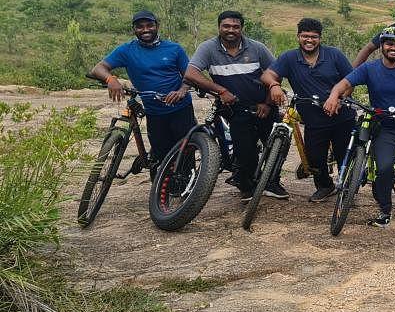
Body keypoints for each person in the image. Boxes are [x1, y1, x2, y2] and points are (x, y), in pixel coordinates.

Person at [324, 26, 395, 228]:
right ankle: (384, 210)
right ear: (382, 46)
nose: (393, 48)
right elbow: (344, 83)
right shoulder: (370, 68)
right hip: (385, 128)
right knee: (383, 168)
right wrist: (333, 96)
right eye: (389, 44)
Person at [186, 11, 285, 203]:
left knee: (276, 146)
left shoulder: (257, 48)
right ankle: (247, 185)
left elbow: (276, 73)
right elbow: (191, 73)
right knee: (245, 151)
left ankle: (272, 182)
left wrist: (267, 102)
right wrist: (220, 90)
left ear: (241, 28)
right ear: (219, 27)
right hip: (236, 109)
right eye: (226, 26)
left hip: (263, 106)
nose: (231, 30)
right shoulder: (208, 48)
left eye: (235, 26)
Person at [260, 18, 355, 202]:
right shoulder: (289, 58)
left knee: (345, 155)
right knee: (314, 159)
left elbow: (351, 80)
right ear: (298, 37)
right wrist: (273, 85)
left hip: (341, 116)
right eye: (305, 36)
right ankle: (325, 186)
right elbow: (267, 74)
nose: (309, 40)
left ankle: (348, 189)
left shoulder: (334, 55)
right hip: (314, 120)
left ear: (320, 38)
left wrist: (340, 98)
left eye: (314, 37)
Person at [90, 11, 195, 165]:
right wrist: (110, 78)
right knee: (161, 156)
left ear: (157, 26)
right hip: (154, 112)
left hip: (181, 109)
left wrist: (181, 91)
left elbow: (190, 76)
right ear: (134, 29)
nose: (145, 30)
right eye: (140, 27)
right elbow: (98, 68)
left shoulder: (174, 48)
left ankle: (191, 187)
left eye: (149, 25)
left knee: (185, 152)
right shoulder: (126, 50)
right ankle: (161, 187)